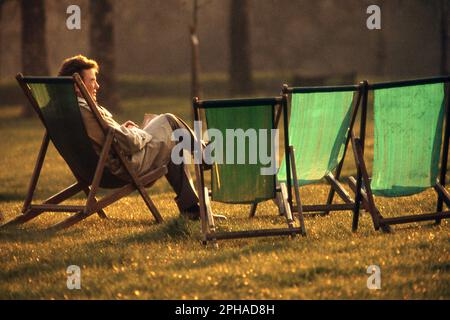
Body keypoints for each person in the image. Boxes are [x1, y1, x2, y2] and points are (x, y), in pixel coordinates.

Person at [58, 55, 200, 219]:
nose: (97, 85)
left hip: (93, 169)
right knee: (169, 120)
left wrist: (121, 129)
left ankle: (192, 210)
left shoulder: (68, 110)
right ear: (77, 86)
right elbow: (131, 144)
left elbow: (104, 135)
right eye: (92, 81)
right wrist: (136, 132)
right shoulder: (88, 112)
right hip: (122, 167)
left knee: (172, 142)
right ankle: (204, 154)